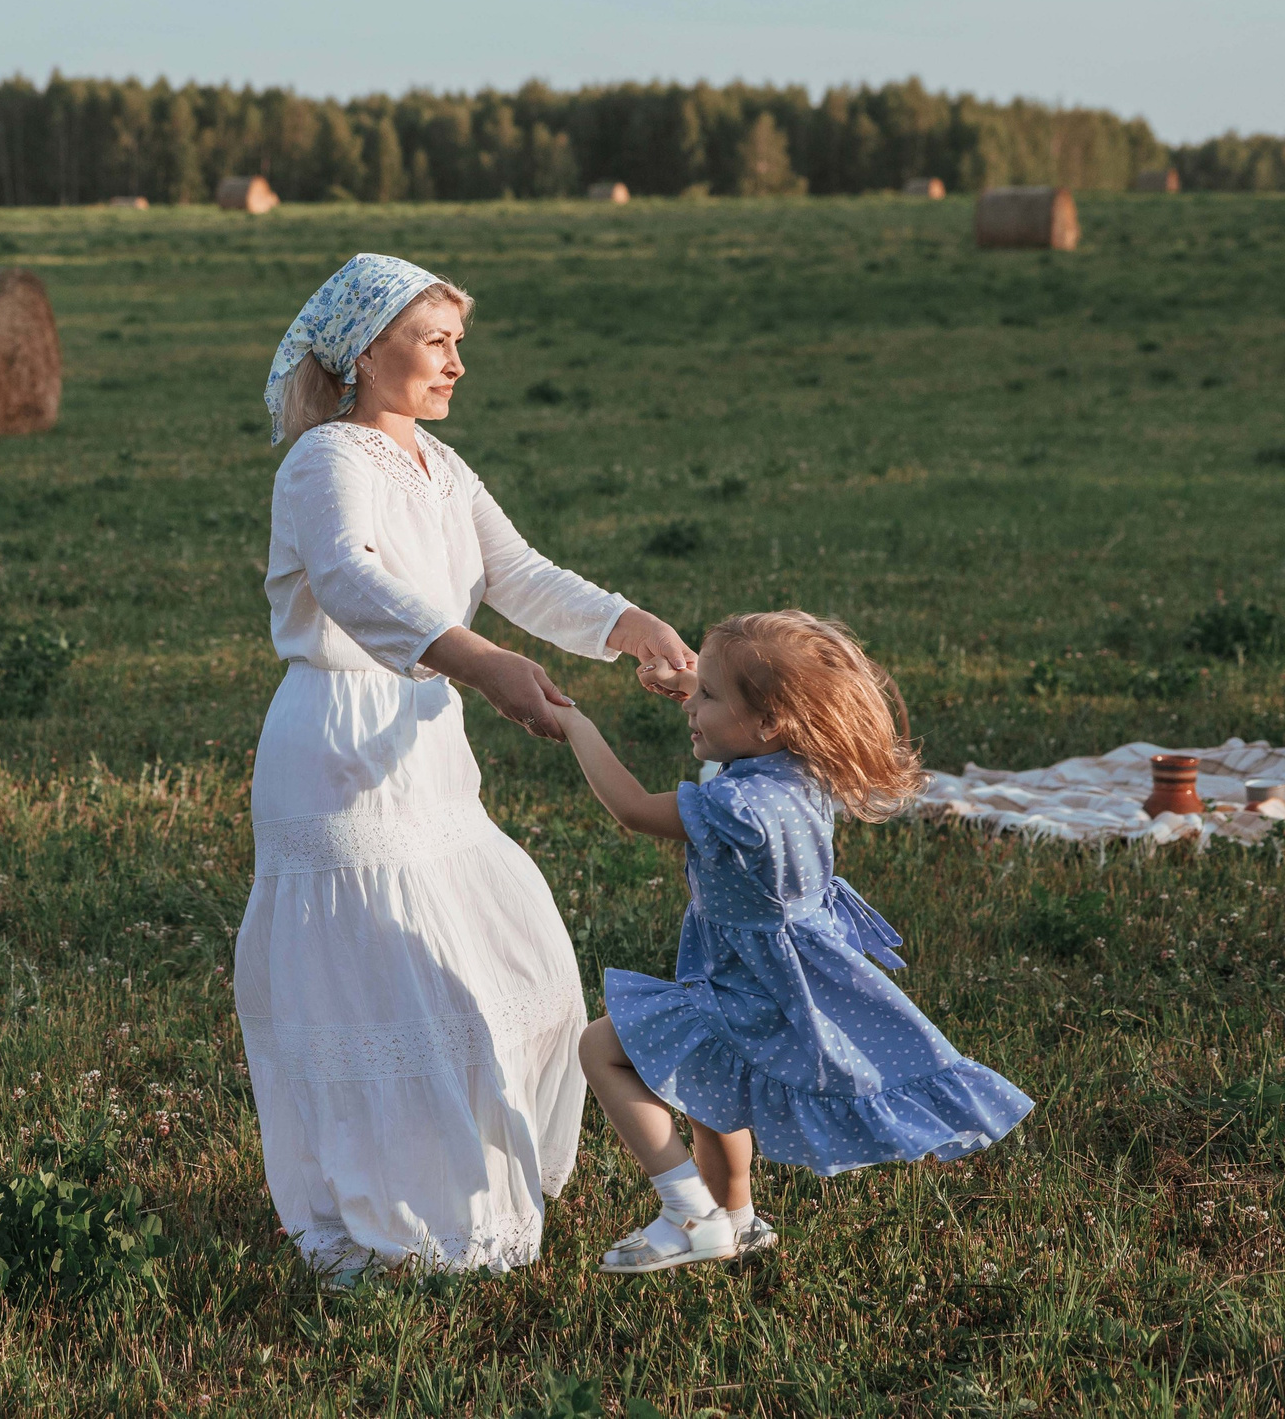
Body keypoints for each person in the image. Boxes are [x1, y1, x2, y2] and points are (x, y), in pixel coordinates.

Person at [236, 253, 699, 1277]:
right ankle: (397, 1220)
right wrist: (482, 664)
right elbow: (351, 581)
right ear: (365, 353)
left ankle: (466, 1186)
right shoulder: (325, 460)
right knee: (389, 985)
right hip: (338, 748)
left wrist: (632, 627)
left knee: (522, 963)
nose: (454, 364)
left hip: (426, 746)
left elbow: (518, 572)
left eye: (458, 343)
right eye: (435, 342)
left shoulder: (441, 466)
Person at [557, 612, 1033, 1272]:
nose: (691, 706)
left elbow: (634, 808)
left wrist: (575, 725)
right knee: (712, 1090)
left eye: (708, 696)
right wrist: (695, 683)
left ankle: (688, 1213)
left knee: (601, 1049)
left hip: (751, 983)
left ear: (769, 721)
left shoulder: (742, 807)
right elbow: (743, 726)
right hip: (773, 976)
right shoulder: (793, 768)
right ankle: (738, 1221)